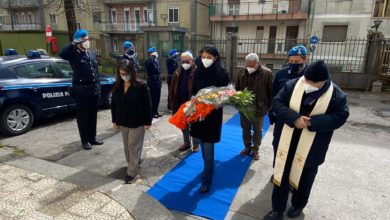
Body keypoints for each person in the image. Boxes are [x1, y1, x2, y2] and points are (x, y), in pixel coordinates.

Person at [264, 60, 349, 220]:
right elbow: (276, 102)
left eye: (312, 82)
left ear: (323, 81)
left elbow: (341, 116)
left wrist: (312, 122)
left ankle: (298, 205)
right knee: (281, 174)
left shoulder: (336, 95)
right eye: (306, 79)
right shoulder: (293, 85)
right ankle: (277, 209)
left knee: (305, 178)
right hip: (286, 140)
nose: (307, 83)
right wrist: (294, 118)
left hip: (313, 146)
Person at [190, 45, 230, 193]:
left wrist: (217, 103)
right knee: (202, 144)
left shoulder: (222, 74)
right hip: (199, 115)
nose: (205, 60)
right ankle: (207, 169)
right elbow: (193, 91)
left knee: (208, 150)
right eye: (203, 57)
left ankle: (206, 180)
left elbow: (226, 94)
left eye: (209, 57)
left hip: (212, 116)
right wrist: (194, 98)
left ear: (215, 58)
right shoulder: (198, 72)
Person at [59, 29, 103, 150]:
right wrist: (73, 43)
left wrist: (98, 86)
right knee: (83, 116)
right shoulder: (73, 54)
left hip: (94, 88)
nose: (87, 42)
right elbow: (62, 54)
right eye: (85, 40)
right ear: (79, 41)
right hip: (81, 90)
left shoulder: (91, 54)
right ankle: (85, 140)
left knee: (93, 115)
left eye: (87, 39)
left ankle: (92, 138)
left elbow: (95, 72)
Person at [111, 59, 152, 184]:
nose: (124, 76)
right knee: (127, 147)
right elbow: (114, 105)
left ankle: (132, 172)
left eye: (125, 73)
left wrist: (147, 122)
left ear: (132, 72)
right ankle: (134, 162)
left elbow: (148, 105)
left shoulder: (141, 86)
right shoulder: (118, 86)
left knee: (133, 146)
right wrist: (115, 120)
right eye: (121, 73)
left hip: (137, 122)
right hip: (123, 122)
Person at [235, 53, 273, 160]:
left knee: (257, 130)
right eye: (247, 65)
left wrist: (267, 107)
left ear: (258, 63)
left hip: (259, 108)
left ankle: (255, 149)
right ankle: (247, 147)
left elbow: (270, 92)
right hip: (245, 108)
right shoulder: (241, 72)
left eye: (252, 65)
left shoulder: (267, 73)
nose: (249, 68)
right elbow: (237, 89)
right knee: (245, 129)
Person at [169, 50, 200, 153]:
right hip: (180, 103)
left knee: (194, 124)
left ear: (192, 60)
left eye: (187, 61)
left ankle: (195, 144)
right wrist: (172, 103)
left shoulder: (197, 72)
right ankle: (186, 142)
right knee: (183, 124)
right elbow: (172, 89)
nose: (185, 63)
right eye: (183, 61)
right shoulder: (177, 72)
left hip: (193, 104)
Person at [145, 47, 162, 118]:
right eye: (155, 52)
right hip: (152, 81)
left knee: (157, 97)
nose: (156, 53)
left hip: (158, 81)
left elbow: (159, 70)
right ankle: (152, 113)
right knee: (153, 97)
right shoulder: (149, 61)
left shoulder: (156, 61)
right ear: (151, 54)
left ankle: (156, 111)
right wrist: (152, 58)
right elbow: (156, 70)